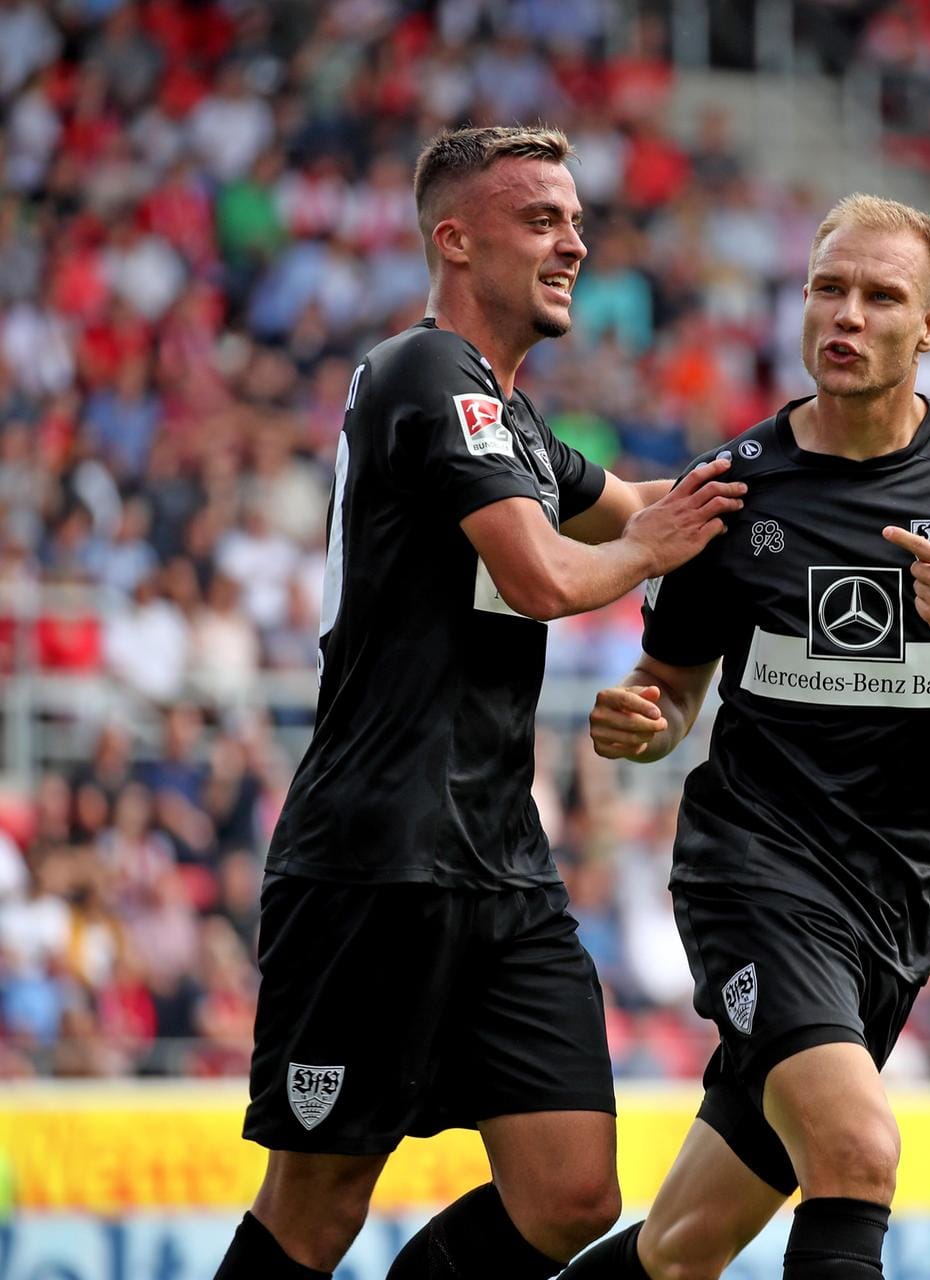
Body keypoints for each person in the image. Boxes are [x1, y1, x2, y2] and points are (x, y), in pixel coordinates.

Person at [568, 194, 930, 1280]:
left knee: (682, 1247)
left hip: (899, 909)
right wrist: (642, 723)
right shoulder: (731, 489)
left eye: (880, 296)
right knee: (857, 1146)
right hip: (753, 872)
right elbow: (671, 687)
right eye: (828, 288)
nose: (846, 314)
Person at [213, 125, 745, 1280]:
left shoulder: (513, 417)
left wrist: (789, 493)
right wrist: (657, 546)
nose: (576, 243)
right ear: (456, 240)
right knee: (316, 1210)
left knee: (568, 1193)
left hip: (502, 859)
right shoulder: (424, 373)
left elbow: (644, 505)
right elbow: (547, 574)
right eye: (543, 220)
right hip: (374, 855)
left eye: (575, 219)